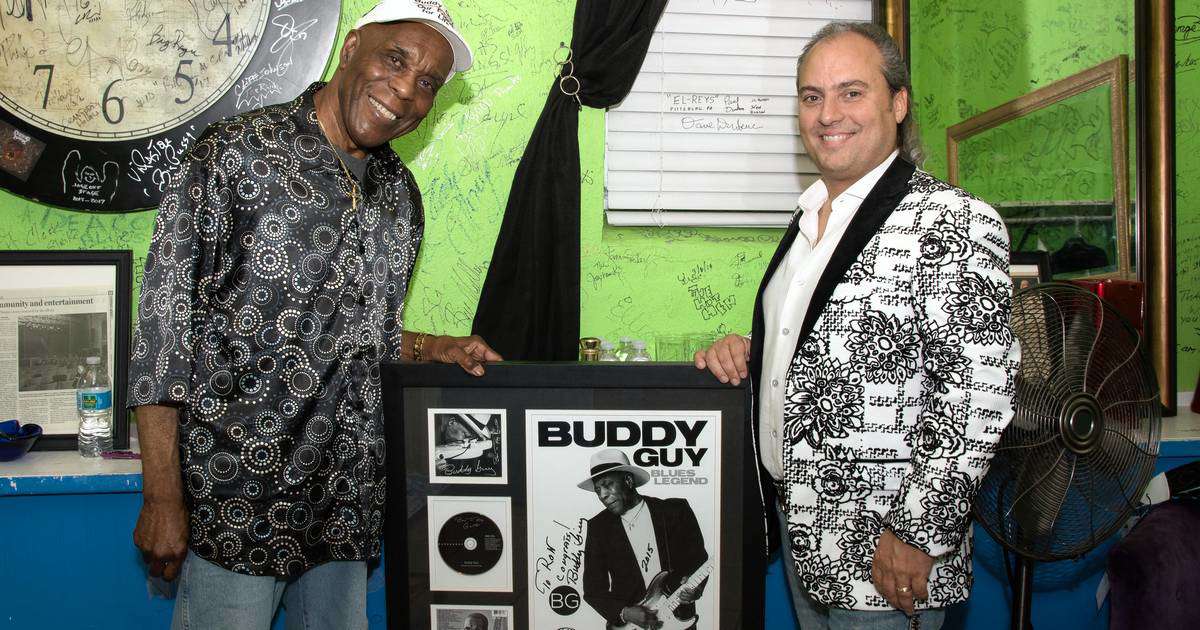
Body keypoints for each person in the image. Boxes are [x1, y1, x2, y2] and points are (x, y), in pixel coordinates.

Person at [128, 1, 501, 628]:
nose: (406, 90)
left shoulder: (399, 196)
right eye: (395, 59)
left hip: (344, 506)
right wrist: (162, 496)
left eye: (428, 82)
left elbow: (354, 335)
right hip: (239, 503)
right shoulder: (236, 152)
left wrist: (433, 346)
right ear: (351, 47)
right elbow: (164, 335)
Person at [695, 21, 1019, 630]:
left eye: (851, 92)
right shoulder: (810, 221)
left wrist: (918, 534)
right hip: (805, 535)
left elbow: (979, 392)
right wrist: (751, 352)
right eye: (812, 96)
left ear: (898, 104)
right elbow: (837, 343)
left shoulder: (952, 220)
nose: (827, 114)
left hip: (889, 561)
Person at [579, 449, 709, 629]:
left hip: (680, 620)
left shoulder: (675, 511)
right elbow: (593, 590)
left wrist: (696, 588)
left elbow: (698, 559)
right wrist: (625, 613)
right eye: (598, 490)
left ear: (628, 481)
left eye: (607, 485)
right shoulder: (598, 527)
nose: (602, 495)